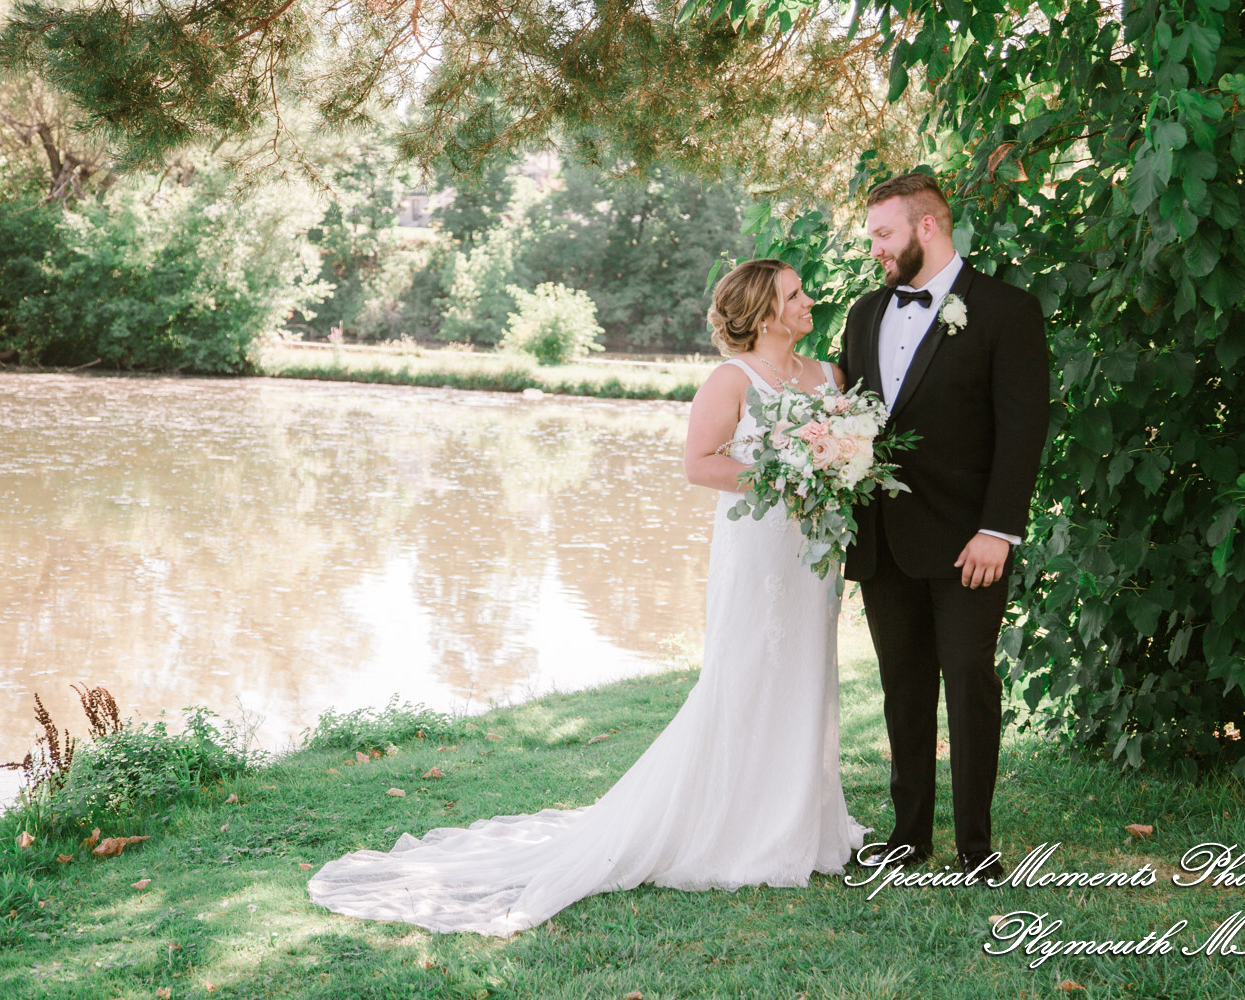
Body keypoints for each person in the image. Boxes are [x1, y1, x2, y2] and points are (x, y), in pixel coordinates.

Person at [307, 258, 870, 936]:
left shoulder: (828, 377)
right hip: (757, 550)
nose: (809, 300)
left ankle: (804, 821)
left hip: (812, 554)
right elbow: (700, 463)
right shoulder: (732, 380)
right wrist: (783, 476)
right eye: (795, 294)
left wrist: (833, 465)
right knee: (747, 672)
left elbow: (851, 449)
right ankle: (738, 825)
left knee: (808, 672)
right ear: (767, 312)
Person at [837, 173, 1050, 882]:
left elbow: (1023, 431)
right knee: (902, 685)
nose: (875, 249)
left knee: (967, 678)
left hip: (969, 542)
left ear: (927, 228)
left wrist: (1000, 529)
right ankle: (908, 834)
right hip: (884, 538)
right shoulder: (865, 313)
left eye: (883, 234)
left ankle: (976, 845)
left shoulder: (1006, 310)